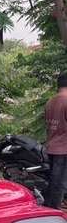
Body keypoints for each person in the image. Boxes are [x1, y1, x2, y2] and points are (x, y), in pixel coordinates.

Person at [44, 72, 67, 208]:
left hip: (51, 147)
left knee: (52, 181)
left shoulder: (50, 101)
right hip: (64, 149)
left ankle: (48, 209)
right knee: (59, 184)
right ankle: (54, 215)